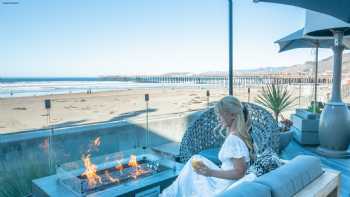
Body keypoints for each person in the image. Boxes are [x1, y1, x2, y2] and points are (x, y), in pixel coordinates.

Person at [160, 96, 255, 197]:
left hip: (223, 186)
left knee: (191, 171)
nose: (218, 118)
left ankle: (168, 195)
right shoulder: (239, 135)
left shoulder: (234, 139)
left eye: (220, 115)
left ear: (232, 115)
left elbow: (239, 172)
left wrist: (210, 172)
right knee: (196, 160)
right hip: (226, 180)